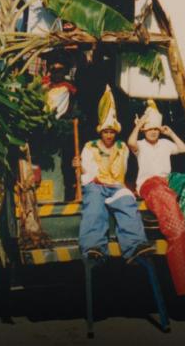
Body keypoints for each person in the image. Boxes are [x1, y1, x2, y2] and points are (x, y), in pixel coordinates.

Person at [128, 100, 185, 299]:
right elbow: (130, 143)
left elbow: (183, 149)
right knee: (176, 229)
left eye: (156, 129)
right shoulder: (140, 144)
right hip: (151, 184)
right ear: (144, 130)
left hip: (168, 180)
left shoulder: (164, 143)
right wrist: (139, 124)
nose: (153, 132)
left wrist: (169, 132)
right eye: (150, 129)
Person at [73, 86, 154, 263]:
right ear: (100, 132)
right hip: (96, 184)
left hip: (116, 186)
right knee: (93, 208)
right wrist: (79, 167)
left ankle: (135, 245)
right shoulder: (90, 146)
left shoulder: (122, 147)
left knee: (128, 205)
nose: (109, 135)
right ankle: (93, 246)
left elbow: (119, 173)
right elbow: (88, 171)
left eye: (111, 132)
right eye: (105, 131)